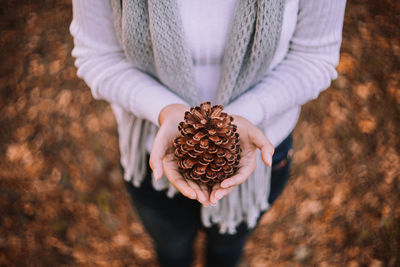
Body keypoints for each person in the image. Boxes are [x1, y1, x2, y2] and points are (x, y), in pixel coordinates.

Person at [70, 0, 346, 266]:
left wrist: (248, 113)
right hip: (152, 150)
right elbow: (98, 56)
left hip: (258, 152)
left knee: (227, 247)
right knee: (171, 247)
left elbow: (314, 57)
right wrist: (164, 109)